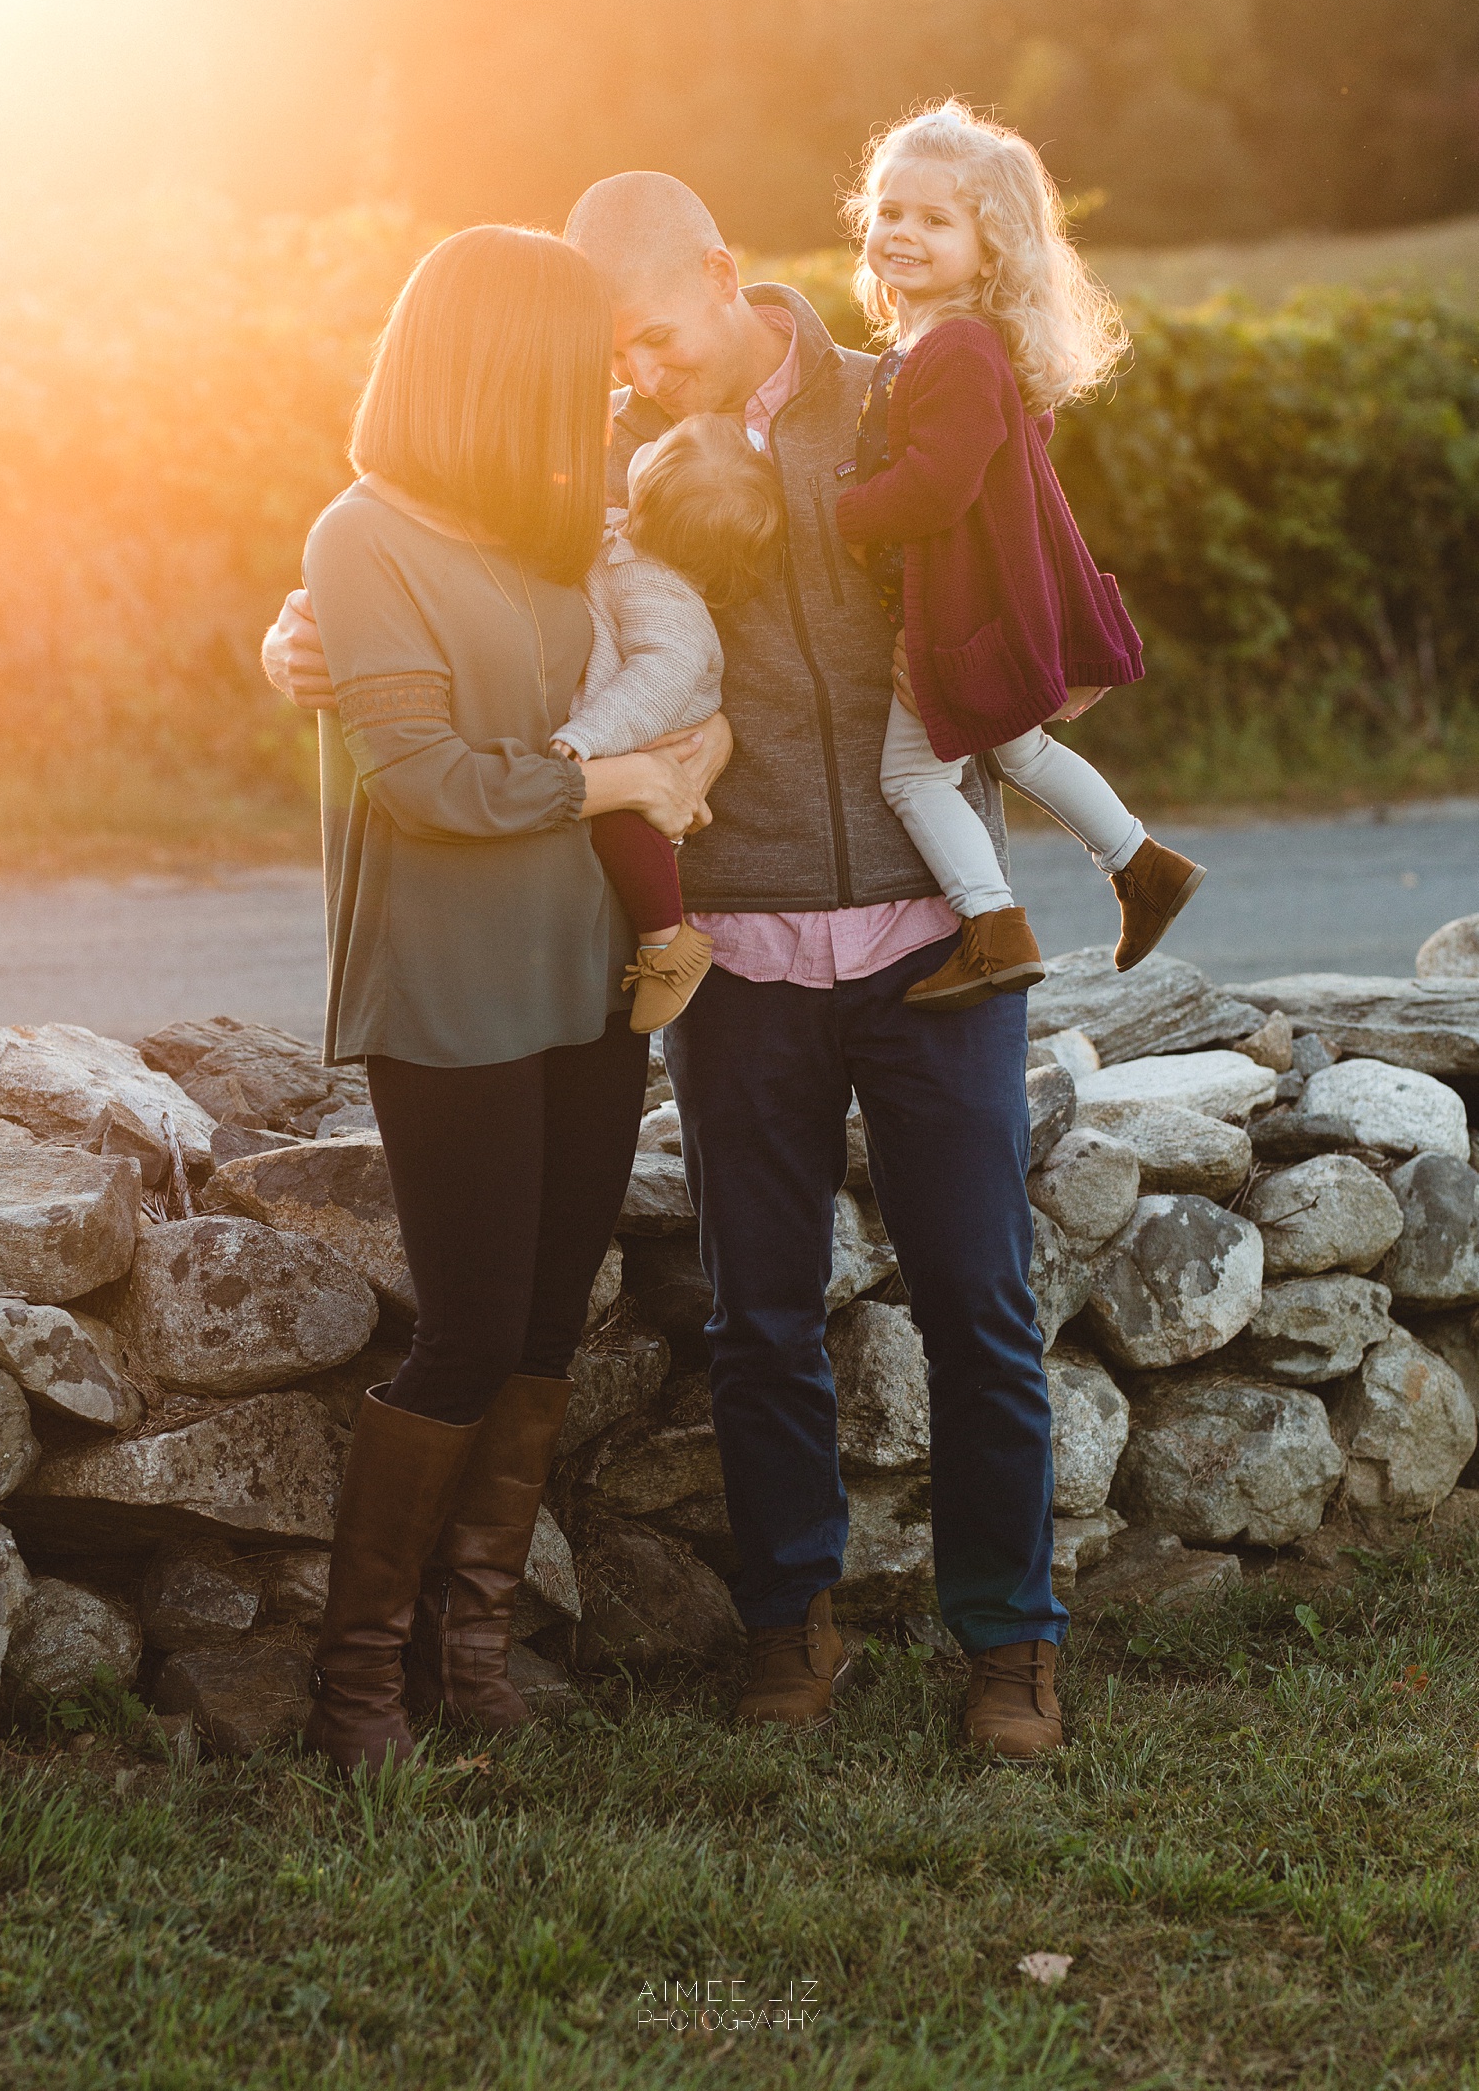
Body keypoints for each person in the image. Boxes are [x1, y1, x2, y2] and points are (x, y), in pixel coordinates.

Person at [265, 173, 1068, 1760]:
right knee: (752, 1319)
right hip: (728, 960)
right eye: (602, 357)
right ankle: (775, 1630)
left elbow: (1031, 577)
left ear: (720, 273)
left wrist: (1055, 687)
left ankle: (1011, 1647)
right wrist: (303, 635)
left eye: (638, 341)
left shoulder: (911, 405)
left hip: (921, 935)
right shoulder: (606, 482)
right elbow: (447, 626)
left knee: (979, 1303)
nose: (628, 379)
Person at [297, 223, 727, 1776]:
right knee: (470, 1324)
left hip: (584, 970)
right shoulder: (364, 537)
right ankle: (358, 1688)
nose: (610, 394)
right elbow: (421, 781)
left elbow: (666, 671)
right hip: (453, 979)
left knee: (550, 1312)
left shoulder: (554, 533)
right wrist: (616, 773)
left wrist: (684, 747)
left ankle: (471, 1647)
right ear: (503, 368)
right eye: (584, 367)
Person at [838, 101, 1205, 1011]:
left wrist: (835, 512)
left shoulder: (956, 346)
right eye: (889, 212)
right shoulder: (938, 343)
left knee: (912, 775)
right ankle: (1144, 866)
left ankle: (993, 927)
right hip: (973, 599)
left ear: (990, 246)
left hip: (958, 610)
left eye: (935, 219)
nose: (903, 233)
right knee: (1022, 750)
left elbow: (936, 488)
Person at [553, 411, 785, 1032]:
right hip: (628, 722)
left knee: (622, 823)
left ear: (648, 491)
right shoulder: (621, 539)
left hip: (654, 722)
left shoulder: (661, 592)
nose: (641, 442)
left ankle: (668, 945)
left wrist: (585, 740)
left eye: (653, 449)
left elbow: (659, 680)